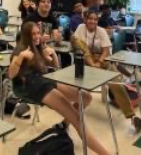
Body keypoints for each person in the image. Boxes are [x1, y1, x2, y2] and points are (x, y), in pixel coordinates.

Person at [9, 22, 110, 155]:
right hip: (32, 86)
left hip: (45, 80)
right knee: (77, 119)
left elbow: (55, 69)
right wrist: (21, 58)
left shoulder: (39, 47)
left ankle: (63, 125)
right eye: (33, 34)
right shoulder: (21, 50)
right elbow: (10, 74)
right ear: (26, 35)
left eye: (38, 33)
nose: (37, 36)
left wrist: (53, 55)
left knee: (86, 97)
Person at [72, 12, 141, 133]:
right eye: (90, 19)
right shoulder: (80, 28)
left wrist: (99, 62)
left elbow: (106, 50)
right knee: (81, 85)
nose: (92, 21)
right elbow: (83, 50)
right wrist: (92, 64)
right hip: (85, 62)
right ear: (85, 19)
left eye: (95, 19)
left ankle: (132, 117)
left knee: (116, 82)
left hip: (102, 60)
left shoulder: (101, 31)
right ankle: (71, 113)